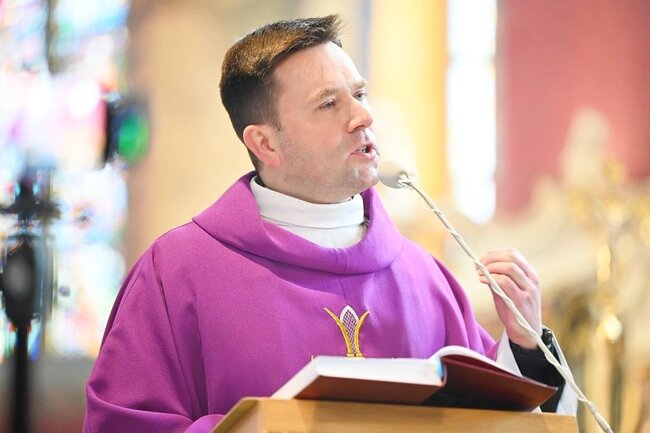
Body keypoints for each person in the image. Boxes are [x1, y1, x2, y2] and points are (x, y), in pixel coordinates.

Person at [83, 15, 577, 433]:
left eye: (359, 94)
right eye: (328, 104)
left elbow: (502, 421)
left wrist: (526, 346)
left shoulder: (428, 280)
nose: (363, 116)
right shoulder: (175, 275)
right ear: (266, 143)